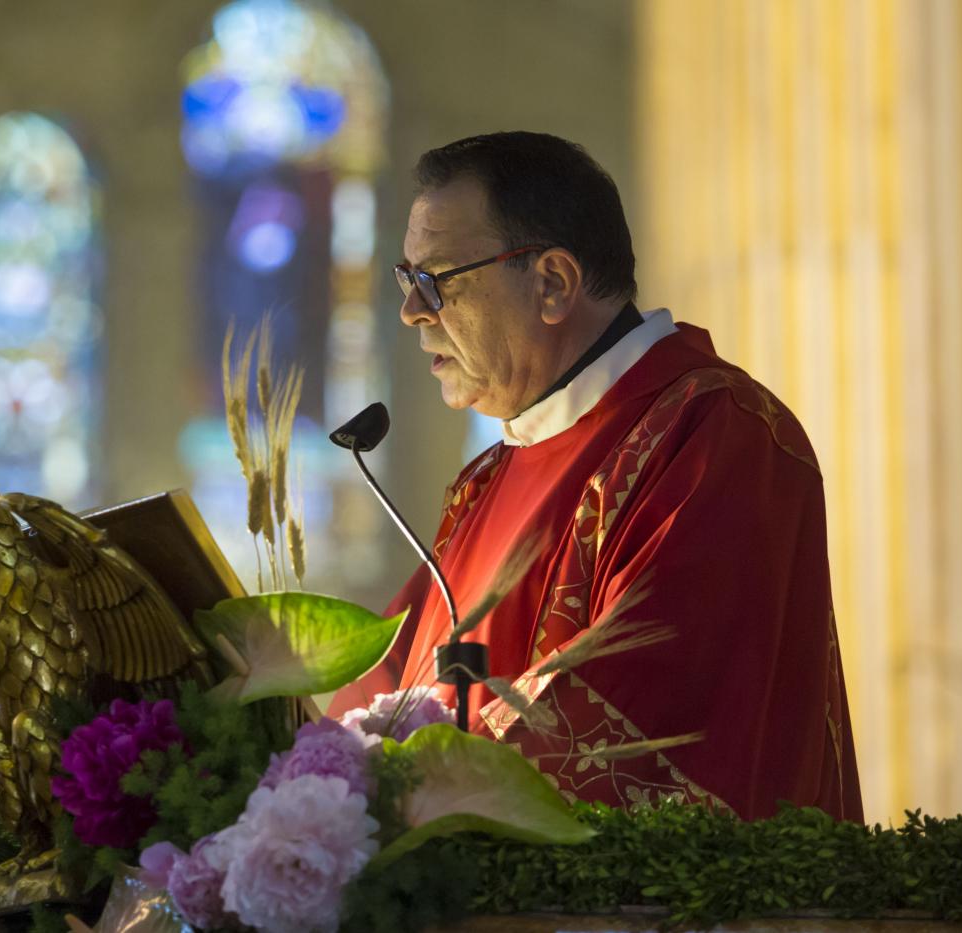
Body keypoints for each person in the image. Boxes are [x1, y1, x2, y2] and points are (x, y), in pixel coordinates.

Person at [331, 131, 861, 822]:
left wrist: (386, 798)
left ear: (552, 282)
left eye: (435, 281)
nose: (412, 312)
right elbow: (390, 680)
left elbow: (638, 707)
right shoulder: (488, 478)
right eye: (408, 280)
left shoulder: (714, 435)